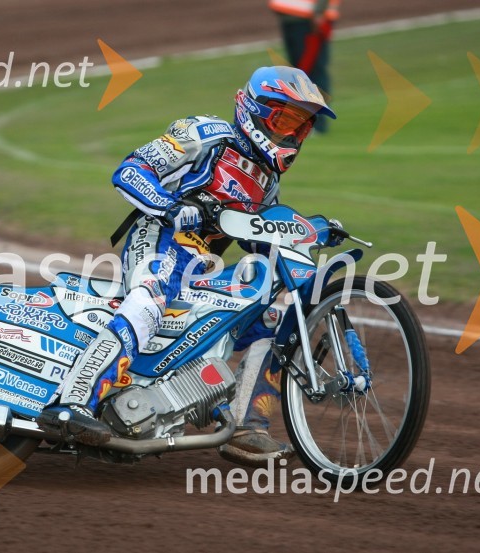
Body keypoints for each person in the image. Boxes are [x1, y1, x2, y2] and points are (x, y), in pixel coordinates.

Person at [37, 66, 337, 452]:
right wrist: (170, 207)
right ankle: (72, 402)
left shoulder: (268, 182)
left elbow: (259, 240)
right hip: (159, 239)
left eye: (301, 128)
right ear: (255, 110)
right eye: (285, 121)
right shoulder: (205, 132)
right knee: (148, 301)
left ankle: (246, 426)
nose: (292, 136)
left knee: (270, 318)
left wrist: (303, 242)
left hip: (204, 265)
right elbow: (131, 170)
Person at [269, 0, 340, 132]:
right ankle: (301, 122)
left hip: (309, 19)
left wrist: (319, 12)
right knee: (297, 73)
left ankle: (317, 124)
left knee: (313, 72)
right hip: (295, 18)